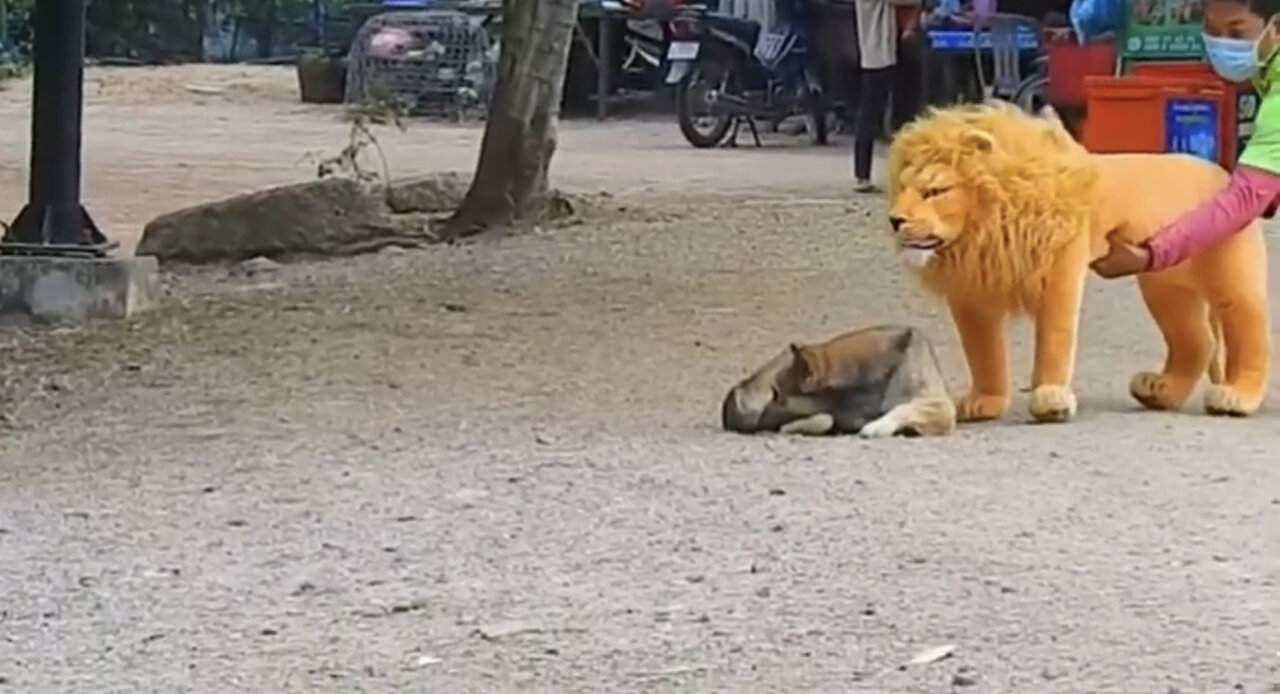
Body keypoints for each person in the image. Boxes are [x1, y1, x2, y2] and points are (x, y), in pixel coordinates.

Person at [1090, 0, 1280, 278]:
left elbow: (1244, 198)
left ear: (1275, 28)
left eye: (1236, 33)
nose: (1222, 44)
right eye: (1211, 30)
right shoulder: (1268, 65)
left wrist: (1152, 255)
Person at [853, 0, 922, 192]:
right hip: (878, 54)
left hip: (886, 51)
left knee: (897, 112)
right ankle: (863, 174)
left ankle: (902, 170)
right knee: (871, 112)